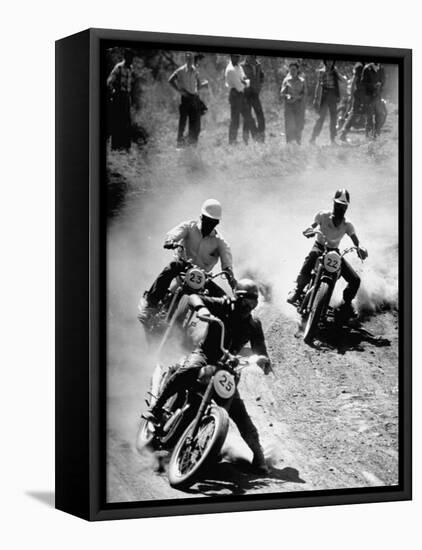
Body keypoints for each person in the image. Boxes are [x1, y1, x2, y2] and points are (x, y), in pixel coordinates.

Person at [144, 278, 272, 474]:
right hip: (206, 355)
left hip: (228, 369)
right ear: (237, 297)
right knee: (188, 370)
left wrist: (263, 359)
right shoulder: (223, 305)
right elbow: (194, 296)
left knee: (238, 411)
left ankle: (258, 454)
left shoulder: (254, 323)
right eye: (246, 300)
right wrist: (202, 309)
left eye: (253, 302)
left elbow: (260, 348)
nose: (249, 306)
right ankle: (157, 407)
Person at [138, 199, 237, 323]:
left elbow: (227, 264)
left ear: (217, 223)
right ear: (201, 217)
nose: (209, 225)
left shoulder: (220, 242)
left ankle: (217, 335)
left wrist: (232, 281)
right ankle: (150, 305)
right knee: (172, 266)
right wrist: (170, 241)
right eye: (207, 220)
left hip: (202, 277)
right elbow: (174, 234)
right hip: (183, 267)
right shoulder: (189, 227)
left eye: (213, 222)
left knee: (225, 300)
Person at [287, 189, 368, 319]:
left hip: (334, 253)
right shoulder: (323, 215)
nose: (340, 207)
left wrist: (360, 249)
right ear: (333, 203)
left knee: (355, 280)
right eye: (337, 204)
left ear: (347, 206)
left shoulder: (348, 225)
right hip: (319, 246)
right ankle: (298, 290)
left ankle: (346, 304)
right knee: (310, 259)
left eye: (343, 205)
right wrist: (309, 230)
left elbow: (355, 239)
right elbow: (312, 226)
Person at [168, 52, 208, 147]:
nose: (190, 61)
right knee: (183, 122)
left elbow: (197, 87)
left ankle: (190, 143)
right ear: (186, 59)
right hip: (186, 98)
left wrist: (204, 84)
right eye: (188, 59)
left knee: (194, 123)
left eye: (191, 59)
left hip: (194, 98)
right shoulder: (181, 70)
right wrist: (180, 91)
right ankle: (180, 142)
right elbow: (170, 80)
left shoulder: (195, 71)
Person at [310, 60, 346, 144]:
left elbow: (343, 80)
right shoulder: (322, 72)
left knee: (334, 118)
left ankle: (332, 139)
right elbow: (318, 85)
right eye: (328, 61)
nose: (330, 63)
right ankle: (313, 138)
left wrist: (337, 72)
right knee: (321, 118)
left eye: (331, 61)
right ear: (325, 62)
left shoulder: (335, 72)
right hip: (325, 96)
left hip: (333, 96)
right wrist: (316, 98)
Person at [107, 49, 135, 150]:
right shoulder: (118, 67)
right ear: (125, 57)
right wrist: (114, 93)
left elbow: (130, 84)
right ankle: (115, 147)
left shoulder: (130, 68)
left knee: (126, 121)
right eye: (129, 57)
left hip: (127, 96)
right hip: (118, 96)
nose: (131, 60)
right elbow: (109, 82)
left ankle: (125, 146)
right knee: (117, 121)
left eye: (132, 58)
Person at [224, 54, 255, 145]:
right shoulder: (231, 70)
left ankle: (254, 138)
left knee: (248, 117)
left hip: (241, 95)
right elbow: (239, 86)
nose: (237, 58)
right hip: (235, 95)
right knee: (235, 120)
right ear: (231, 57)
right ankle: (232, 141)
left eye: (238, 57)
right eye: (235, 57)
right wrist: (245, 82)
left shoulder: (238, 67)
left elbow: (244, 78)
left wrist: (244, 82)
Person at [280, 62, 307, 144]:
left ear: (297, 70)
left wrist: (298, 97)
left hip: (299, 106)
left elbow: (305, 94)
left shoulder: (302, 81)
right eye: (291, 69)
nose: (292, 71)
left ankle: (298, 142)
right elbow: (282, 93)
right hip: (289, 106)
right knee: (289, 124)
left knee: (299, 125)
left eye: (294, 69)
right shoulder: (286, 80)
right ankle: (289, 143)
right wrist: (288, 96)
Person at [241, 55, 266, 142]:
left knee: (260, 115)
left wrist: (260, 84)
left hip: (255, 94)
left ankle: (261, 137)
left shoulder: (258, 65)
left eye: (253, 57)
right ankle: (246, 139)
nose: (252, 58)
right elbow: (240, 79)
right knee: (248, 117)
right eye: (250, 57)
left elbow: (261, 75)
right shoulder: (242, 66)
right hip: (245, 94)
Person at [339, 62, 365, 142]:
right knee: (353, 113)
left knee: (355, 113)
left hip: (363, 95)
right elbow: (354, 82)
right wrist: (351, 96)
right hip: (358, 95)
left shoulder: (365, 67)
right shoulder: (360, 67)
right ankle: (343, 132)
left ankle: (370, 136)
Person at [361, 62, 386, 139]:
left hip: (378, 96)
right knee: (369, 118)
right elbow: (363, 82)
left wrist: (380, 84)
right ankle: (368, 138)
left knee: (380, 116)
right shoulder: (367, 68)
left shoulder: (381, 68)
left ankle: (376, 136)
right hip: (368, 96)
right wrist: (373, 85)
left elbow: (384, 80)